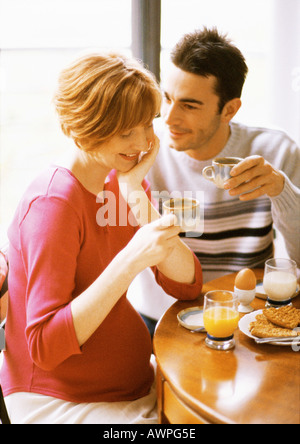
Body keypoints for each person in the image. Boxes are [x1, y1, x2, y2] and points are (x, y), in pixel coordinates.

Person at [0, 52, 203, 424]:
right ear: (84, 128)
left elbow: (186, 282)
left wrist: (136, 197)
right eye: (127, 131)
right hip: (61, 397)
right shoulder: (53, 204)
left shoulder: (120, 181)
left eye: (147, 124)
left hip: (130, 384)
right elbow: (44, 345)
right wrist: (129, 261)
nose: (143, 142)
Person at [127, 27, 300, 334]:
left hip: (245, 317)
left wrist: (281, 190)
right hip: (159, 318)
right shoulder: (140, 154)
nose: (169, 119)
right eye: (167, 99)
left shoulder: (276, 152)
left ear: (229, 109)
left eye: (189, 106)